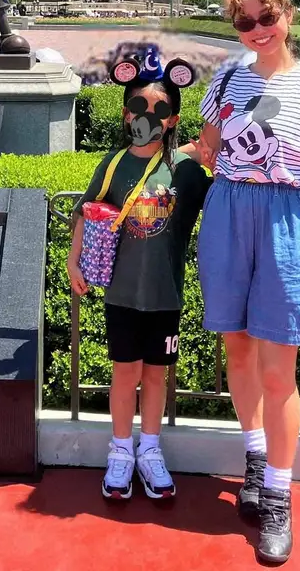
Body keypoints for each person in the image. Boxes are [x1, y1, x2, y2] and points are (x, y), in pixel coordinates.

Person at [182, 0, 300, 565]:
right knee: (238, 348)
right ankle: (255, 456)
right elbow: (208, 150)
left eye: (266, 18)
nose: (257, 30)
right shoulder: (227, 79)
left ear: (287, 16)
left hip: (286, 217)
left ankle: (277, 494)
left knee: (279, 370)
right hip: (229, 210)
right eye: (245, 22)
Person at [66, 49, 210, 502]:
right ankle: (121, 451)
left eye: (160, 109)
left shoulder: (186, 172)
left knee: (156, 376)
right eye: (139, 106)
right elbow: (86, 212)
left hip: (165, 294)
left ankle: (150, 449)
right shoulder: (112, 165)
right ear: (126, 114)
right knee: (124, 374)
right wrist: (73, 261)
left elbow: (226, 183)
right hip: (122, 293)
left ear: (172, 119)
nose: (148, 115)